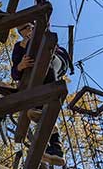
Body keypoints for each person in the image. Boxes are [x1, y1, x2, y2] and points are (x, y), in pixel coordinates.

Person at [11, 22, 73, 167]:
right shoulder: (19, 46)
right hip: (37, 80)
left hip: (55, 59)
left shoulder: (43, 33)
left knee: (47, 61)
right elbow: (14, 72)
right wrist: (21, 65)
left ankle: (40, 107)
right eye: (25, 28)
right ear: (20, 33)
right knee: (45, 110)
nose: (29, 29)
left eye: (31, 26)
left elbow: (45, 16)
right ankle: (56, 147)